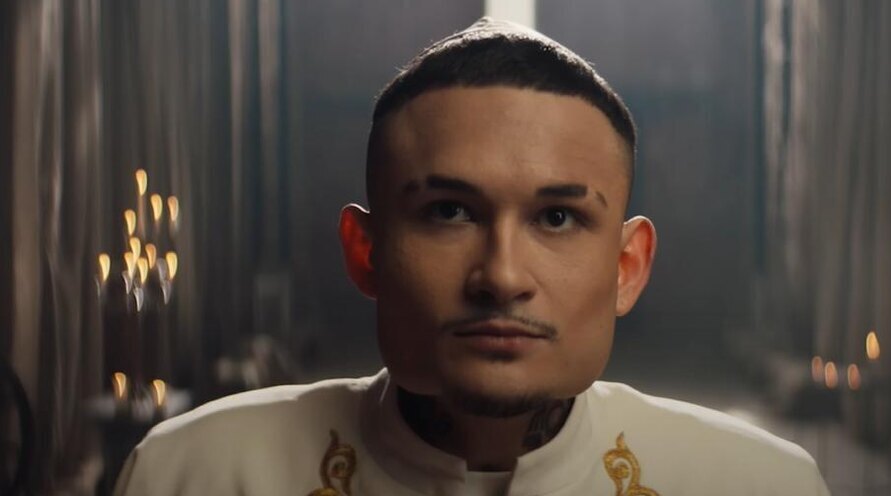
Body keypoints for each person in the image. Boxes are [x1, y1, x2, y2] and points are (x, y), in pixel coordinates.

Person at [114, 17, 829, 496]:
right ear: (366, 252)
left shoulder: (760, 485)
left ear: (627, 268)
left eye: (557, 217)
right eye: (449, 212)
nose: (502, 277)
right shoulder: (193, 475)